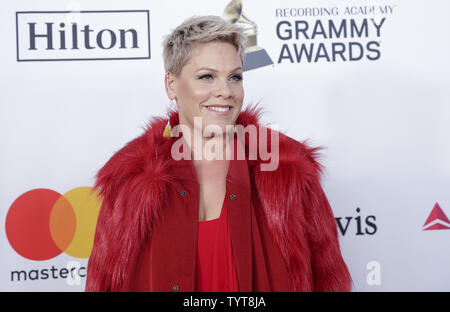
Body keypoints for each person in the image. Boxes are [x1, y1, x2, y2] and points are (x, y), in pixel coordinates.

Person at [85, 15, 351, 292]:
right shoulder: (131, 178)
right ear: (171, 84)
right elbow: (104, 283)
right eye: (207, 77)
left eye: (234, 77)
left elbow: (328, 279)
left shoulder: (287, 167)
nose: (225, 91)